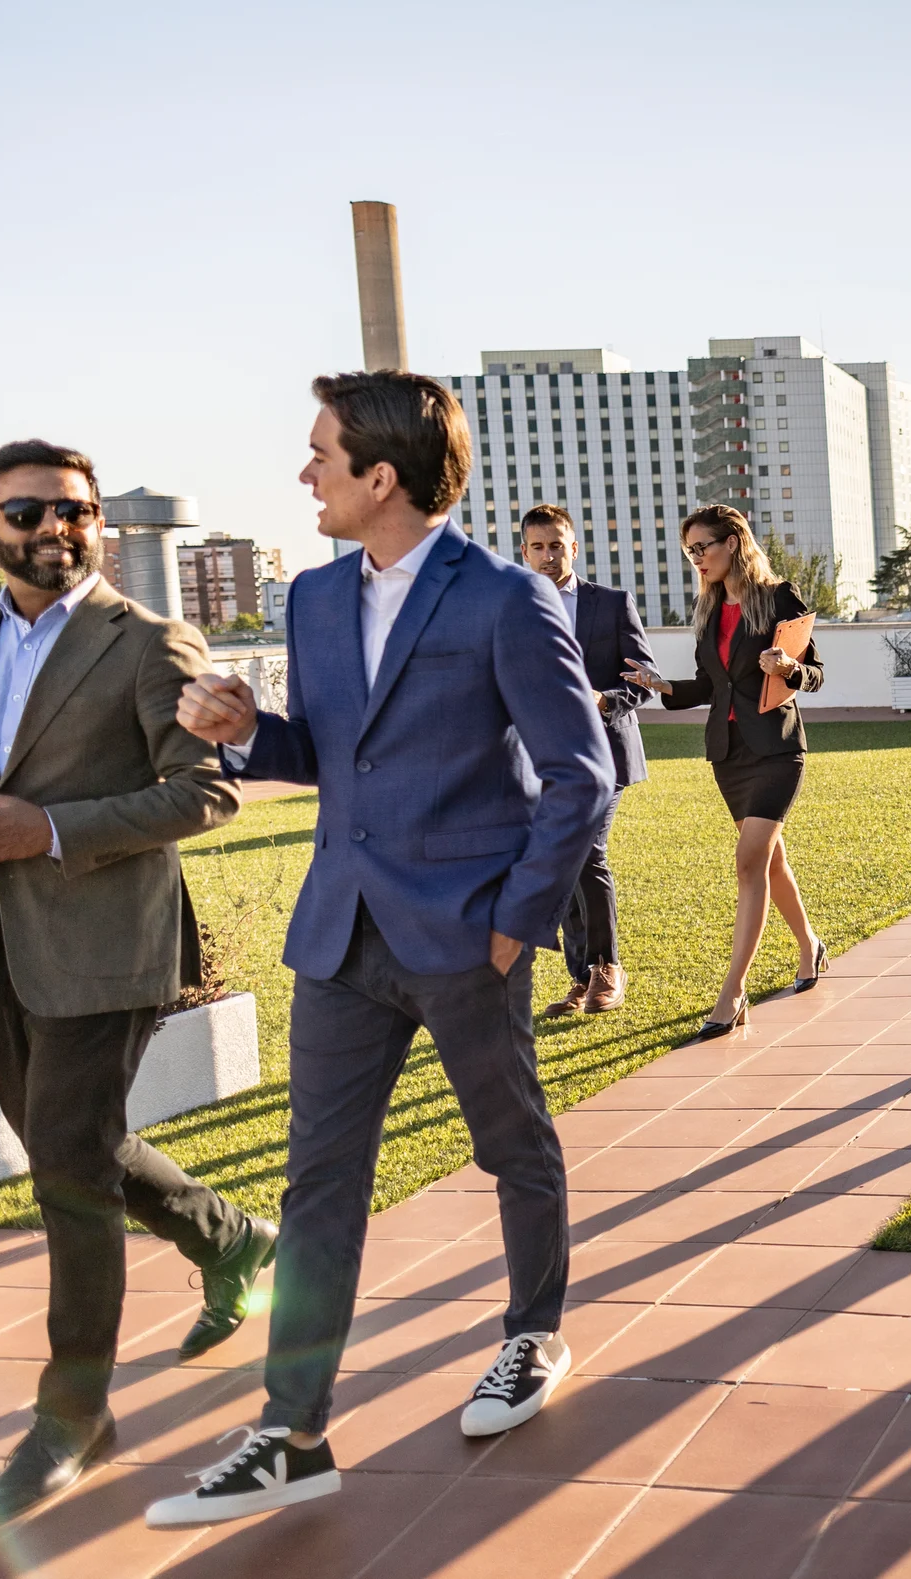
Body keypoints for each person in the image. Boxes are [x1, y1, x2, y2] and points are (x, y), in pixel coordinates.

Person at [154, 372, 612, 1527]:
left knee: (513, 1145)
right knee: (318, 1182)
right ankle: (291, 1430)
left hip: (468, 936)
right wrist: (245, 728)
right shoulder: (310, 598)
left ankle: (532, 1333)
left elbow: (580, 775)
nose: (304, 473)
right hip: (340, 931)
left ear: (381, 477)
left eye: (320, 454)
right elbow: (331, 753)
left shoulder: (504, 597)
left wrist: (515, 926)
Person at [0, 442, 271, 1532]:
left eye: (78, 509)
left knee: (65, 1170)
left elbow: (205, 792)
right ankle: (229, 1235)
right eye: (29, 510)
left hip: (106, 944)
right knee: (70, 1146)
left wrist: (45, 830)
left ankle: (74, 1418)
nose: (58, 525)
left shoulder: (150, 642)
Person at [620, 506, 824, 1045]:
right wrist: (660, 686)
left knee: (748, 862)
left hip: (777, 751)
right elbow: (710, 687)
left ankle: (733, 990)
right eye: (690, 551)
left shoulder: (780, 597)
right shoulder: (708, 608)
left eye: (702, 547)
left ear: (733, 542)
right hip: (728, 755)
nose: (697, 559)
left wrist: (787, 669)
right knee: (770, 861)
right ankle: (809, 946)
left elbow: (815, 674)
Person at [519, 505, 654, 1017]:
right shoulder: (514, 609)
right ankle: (582, 978)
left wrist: (604, 699)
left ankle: (606, 968)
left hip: (604, 754)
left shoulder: (613, 604)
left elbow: (645, 678)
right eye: (539, 546)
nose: (549, 554)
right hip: (539, 760)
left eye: (557, 545)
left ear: (573, 547)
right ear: (525, 552)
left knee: (584, 851)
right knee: (562, 862)